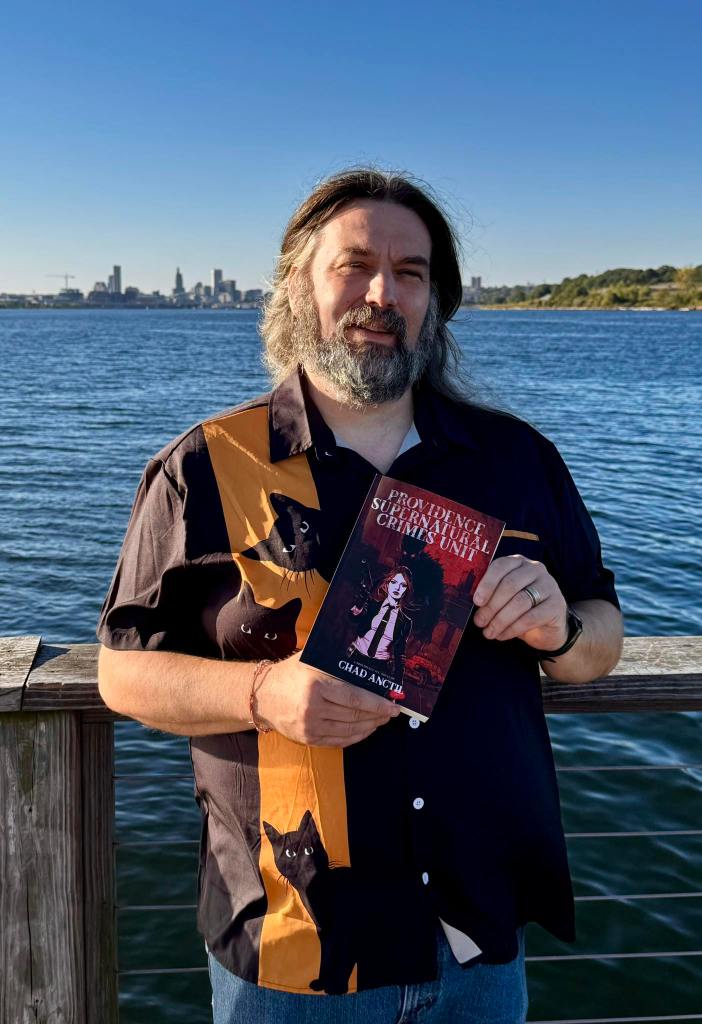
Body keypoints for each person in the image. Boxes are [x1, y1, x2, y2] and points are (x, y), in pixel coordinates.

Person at [97, 168, 623, 1023]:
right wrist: (264, 694)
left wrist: (560, 628)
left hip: (477, 946)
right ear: (299, 285)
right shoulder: (203, 468)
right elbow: (123, 674)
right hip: (293, 949)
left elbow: (602, 632)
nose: (383, 293)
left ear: (435, 302)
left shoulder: (516, 463)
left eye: (411, 273)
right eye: (354, 265)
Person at [347, 565, 414, 691]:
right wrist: (360, 602)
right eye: (394, 582)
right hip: (355, 656)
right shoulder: (371, 605)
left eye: (403, 585)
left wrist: (398, 683)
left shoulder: (405, 622)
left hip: (379, 668)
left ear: (407, 590)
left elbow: (400, 653)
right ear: (387, 584)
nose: (398, 588)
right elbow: (354, 616)